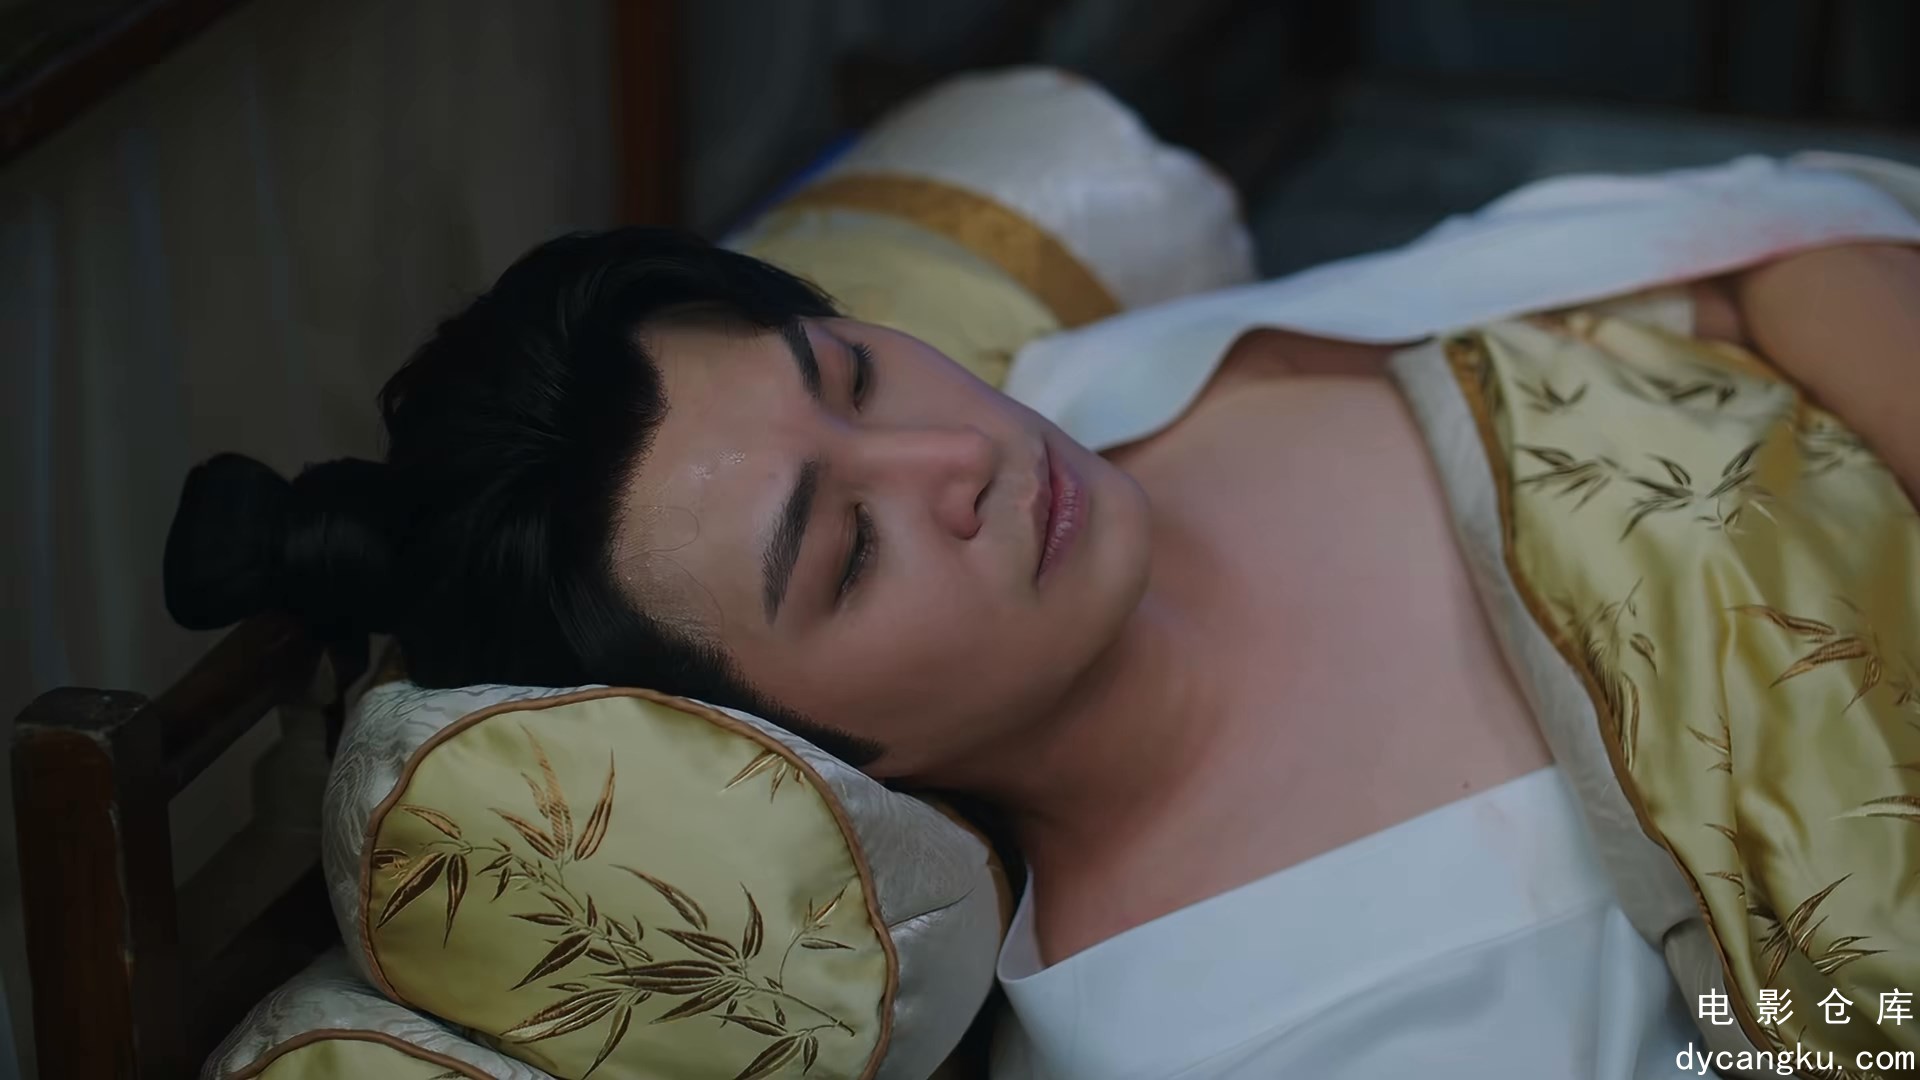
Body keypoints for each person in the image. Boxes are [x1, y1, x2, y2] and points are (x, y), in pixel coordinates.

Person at [165, 174, 1920, 1078]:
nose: (963, 462)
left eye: (849, 375)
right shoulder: (1243, 1028)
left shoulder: (1151, 377)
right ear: (795, 747)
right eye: (845, 553)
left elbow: (1764, 238)